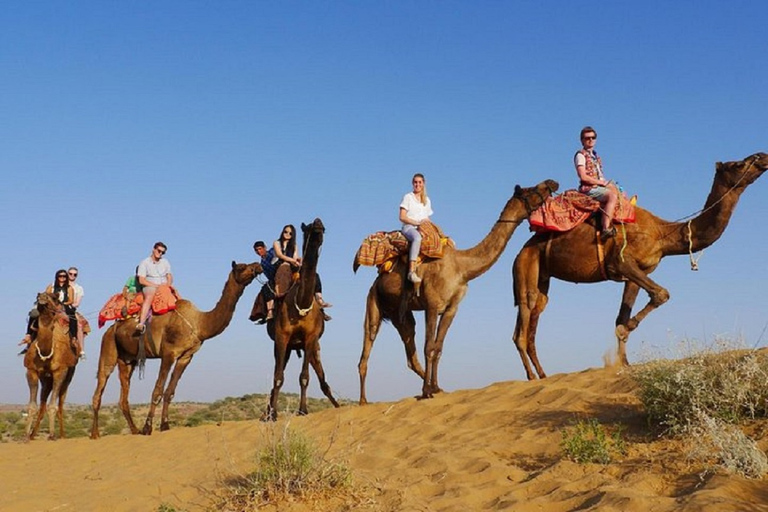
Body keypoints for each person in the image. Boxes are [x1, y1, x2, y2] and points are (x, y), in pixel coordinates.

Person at [575, 126, 619, 239]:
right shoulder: (580, 155)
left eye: (593, 137)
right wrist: (601, 183)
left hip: (598, 186)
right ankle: (605, 228)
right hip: (589, 189)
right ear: (582, 140)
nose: (590, 140)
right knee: (612, 196)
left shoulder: (595, 156)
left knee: (620, 192)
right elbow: (583, 176)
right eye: (587, 138)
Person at [399, 173, 433, 283]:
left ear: (423, 184)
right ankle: (411, 271)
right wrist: (417, 223)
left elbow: (427, 218)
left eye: (419, 182)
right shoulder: (408, 197)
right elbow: (402, 217)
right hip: (409, 227)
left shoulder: (427, 200)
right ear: (412, 183)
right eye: (415, 182)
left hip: (422, 227)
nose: (417, 184)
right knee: (417, 238)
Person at [136, 242, 172, 333]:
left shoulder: (165, 262)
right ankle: (141, 323)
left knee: (175, 298)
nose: (160, 254)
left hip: (163, 285)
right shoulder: (144, 263)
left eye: (162, 252)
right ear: (154, 249)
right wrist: (155, 285)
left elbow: (169, 276)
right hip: (149, 285)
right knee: (149, 297)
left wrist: (168, 284)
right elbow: (141, 280)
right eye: (159, 251)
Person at [67, 267, 86, 358]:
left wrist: (70, 305)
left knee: (79, 324)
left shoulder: (79, 288)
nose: (72, 276)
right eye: (70, 273)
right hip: (58, 309)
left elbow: (77, 303)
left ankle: (81, 349)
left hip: (70, 309)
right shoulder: (59, 285)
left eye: (75, 274)